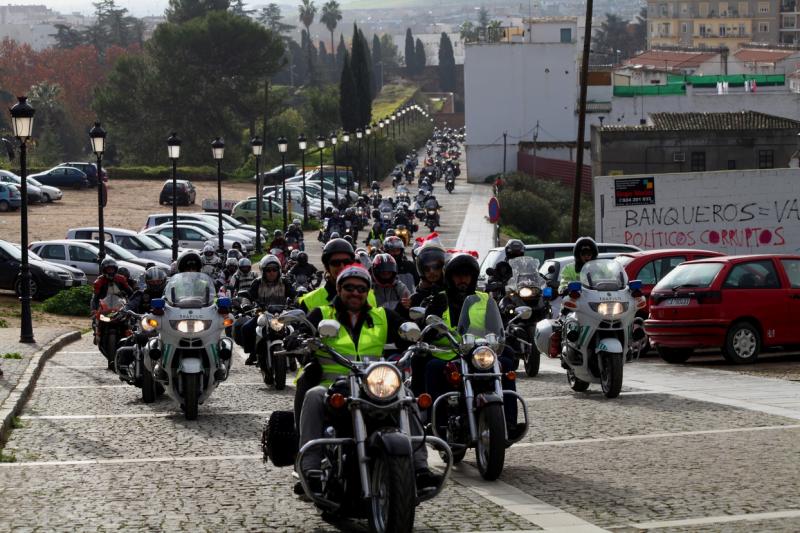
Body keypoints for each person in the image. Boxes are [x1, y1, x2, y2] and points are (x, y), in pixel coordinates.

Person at [295, 264, 441, 494]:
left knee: (408, 397)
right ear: (340, 289)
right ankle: (310, 469)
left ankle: (420, 467)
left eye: (361, 289)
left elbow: (404, 334)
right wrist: (298, 339)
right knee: (313, 396)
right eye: (349, 288)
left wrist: (416, 338)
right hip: (334, 386)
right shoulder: (323, 314)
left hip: (374, 385)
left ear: (367, 291)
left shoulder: (381, 316)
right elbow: (302, 333)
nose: (355, 293)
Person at [422, 253, 523, 439]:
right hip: (448, 353)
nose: (463, 279)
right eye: (458, 275)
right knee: (432, 367)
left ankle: (509, 422)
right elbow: (427, 325)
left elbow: (496, 323)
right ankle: (437, 423)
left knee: (507, 363)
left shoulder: (484, 299)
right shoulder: (439, 299)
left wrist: (504, 336)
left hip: (479, 353)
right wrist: (432, 331)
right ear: (450, 277)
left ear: (473, 277)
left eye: (467, 275)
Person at [240, 255, 296, 364]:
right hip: (263, 313)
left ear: (278, 270)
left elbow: (294, 295)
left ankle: (294, 353)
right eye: (268, 270)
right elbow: (248, 297)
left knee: (298, 327)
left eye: (274, 270)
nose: (272, 273)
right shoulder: (257, 283)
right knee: (246, 328)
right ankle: (253, 352)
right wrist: (246, 305)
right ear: (263, 271)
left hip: (282, 314)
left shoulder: (285, 282)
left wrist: (298, 301)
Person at [298, 238, 377, 312]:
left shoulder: (369, 296)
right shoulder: (308, 302)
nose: (342, 267)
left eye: (346, 262)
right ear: (327, 267)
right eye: (335, 263)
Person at [116, 267, 168, 372]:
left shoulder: (168, 295)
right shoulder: (141, 294)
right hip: (145, 326)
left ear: (163, 281)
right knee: (133, 339)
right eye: (152, 282)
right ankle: (124, 366)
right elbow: (131, 304)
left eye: (158, 281)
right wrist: (124, 310)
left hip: (166, 326)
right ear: (147, 282)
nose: (156, 284)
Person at [409, 237, 446, 308]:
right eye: (426, 268)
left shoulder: (453, 292)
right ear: (421, 270)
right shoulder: (416, 298)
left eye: (436, 266)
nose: (431, 271)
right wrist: (403, 307)